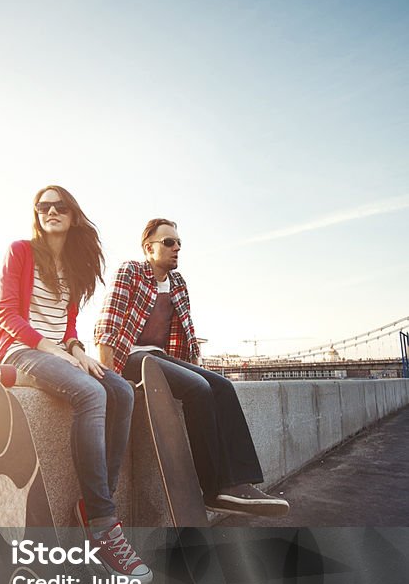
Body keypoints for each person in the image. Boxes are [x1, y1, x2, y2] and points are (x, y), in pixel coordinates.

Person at [0, 185, 153, 583]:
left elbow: (69, 324)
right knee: (90, 392)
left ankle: (97, 503)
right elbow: (6, 312)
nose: (50, 211)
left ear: (73, 214)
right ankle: (103, 525)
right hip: (19, 351)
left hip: (59, 351)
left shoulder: (77, 265)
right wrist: (50, 349)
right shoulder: (21, 251)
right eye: (42, 206)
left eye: (59, 205)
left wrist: (76, 349)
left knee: (121, 391)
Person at [94, 217, 290, 517]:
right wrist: (109, 378)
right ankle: (213, 489)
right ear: (149, 248)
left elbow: (187, 333)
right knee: (197, 389)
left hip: (161, 359)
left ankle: (239, 483)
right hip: (131, 359)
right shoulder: (131, 271)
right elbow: (108, 325)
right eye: (168, 242)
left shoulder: (178, 283)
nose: (176, 249)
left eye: (179, 243)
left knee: (221, 386)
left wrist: (199, 367)